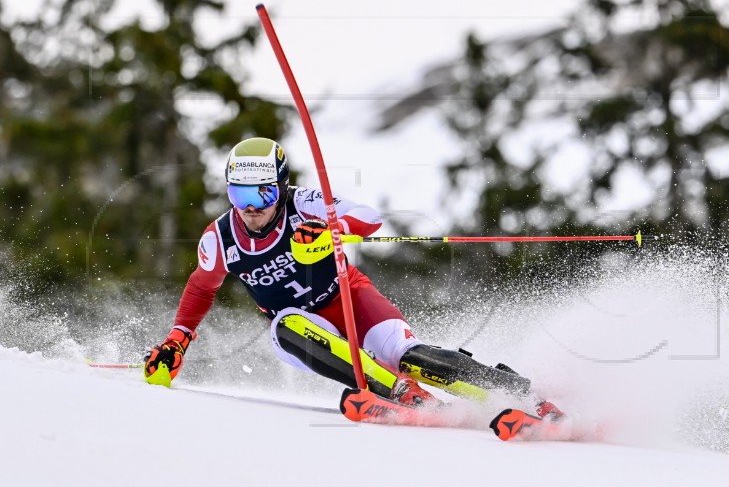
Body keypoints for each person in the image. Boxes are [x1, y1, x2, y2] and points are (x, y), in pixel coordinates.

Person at [144, 137, 562, 417]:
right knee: (286, 324)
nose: (251, 207)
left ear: (281, 187)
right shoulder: (220, 238)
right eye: (240, 194)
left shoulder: (303, 203)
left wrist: (330, 230)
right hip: (304, 331)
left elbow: (369, 218)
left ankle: (522, 393)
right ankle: (401, 396)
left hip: (349, 297)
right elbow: (202, 286)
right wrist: (177, 341)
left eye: (263, 194)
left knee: (407, 356)